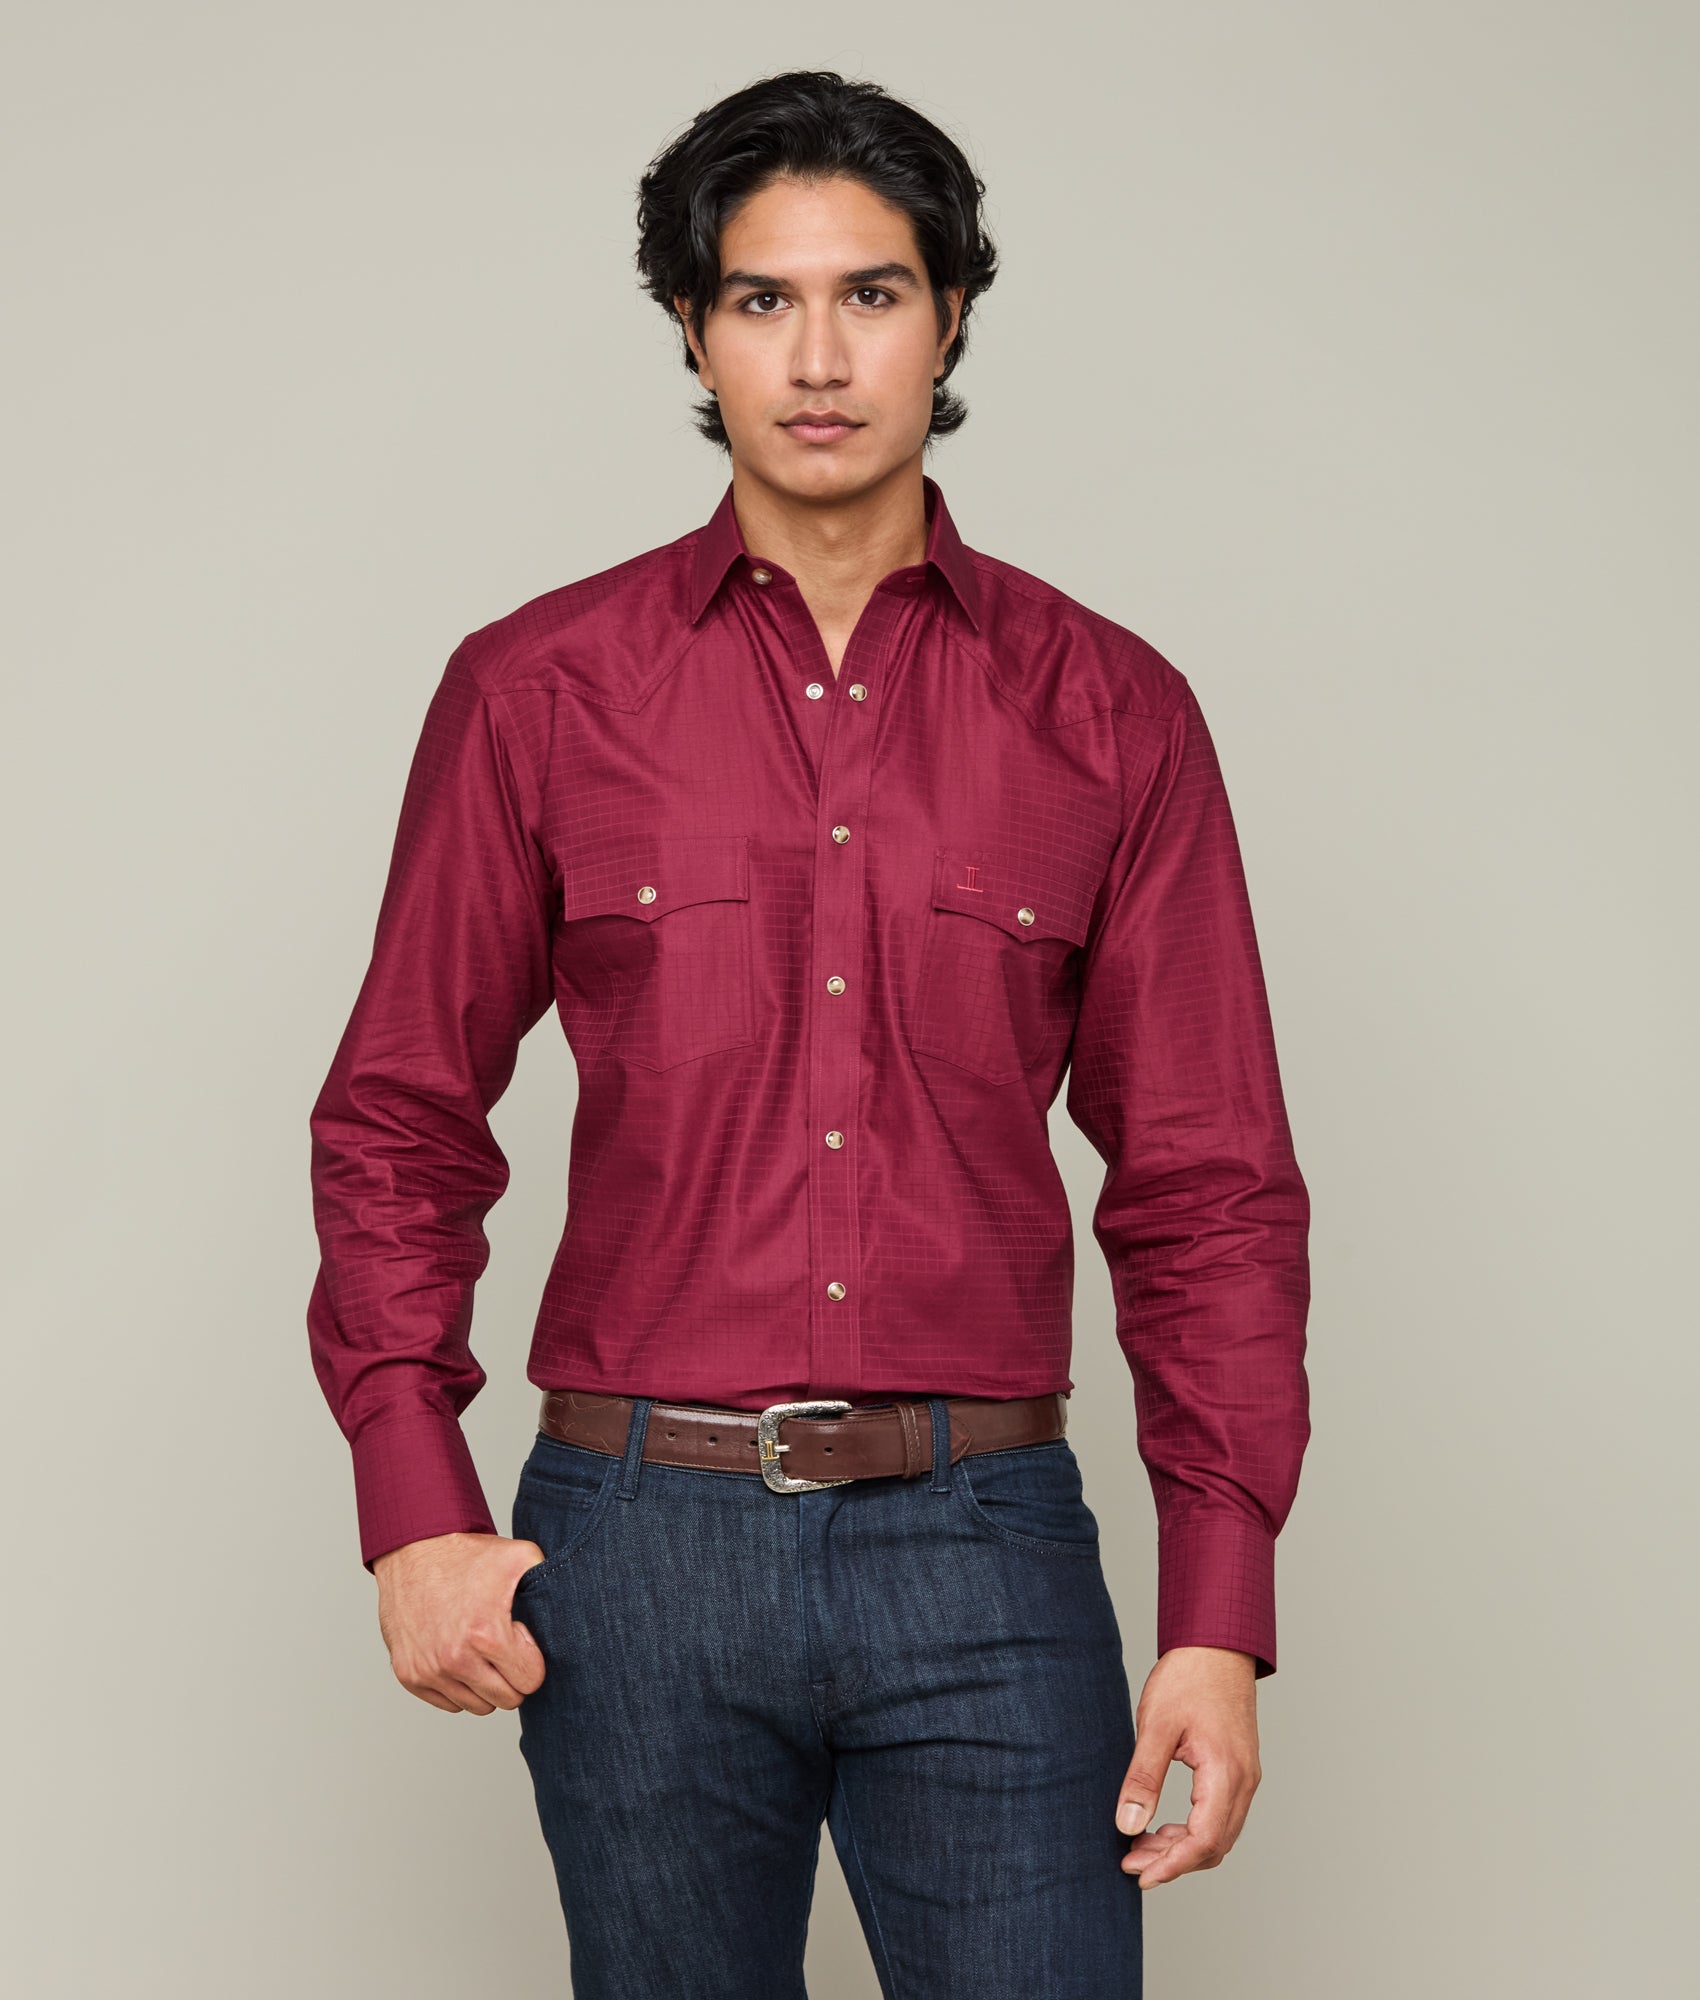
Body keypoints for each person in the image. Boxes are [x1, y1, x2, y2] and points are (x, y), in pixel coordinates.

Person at [305, 68, 1311, 1999]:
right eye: (763, 298)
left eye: (873, 294)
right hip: (636, 1553)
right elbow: (398, 1121)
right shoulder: (537, 692)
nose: (821, 356)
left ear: (952, 318)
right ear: (694, 328)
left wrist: (1218, 1611)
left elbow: (1212, 1188)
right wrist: (411, 1505)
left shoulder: (1111, 713)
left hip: (985, 1542)